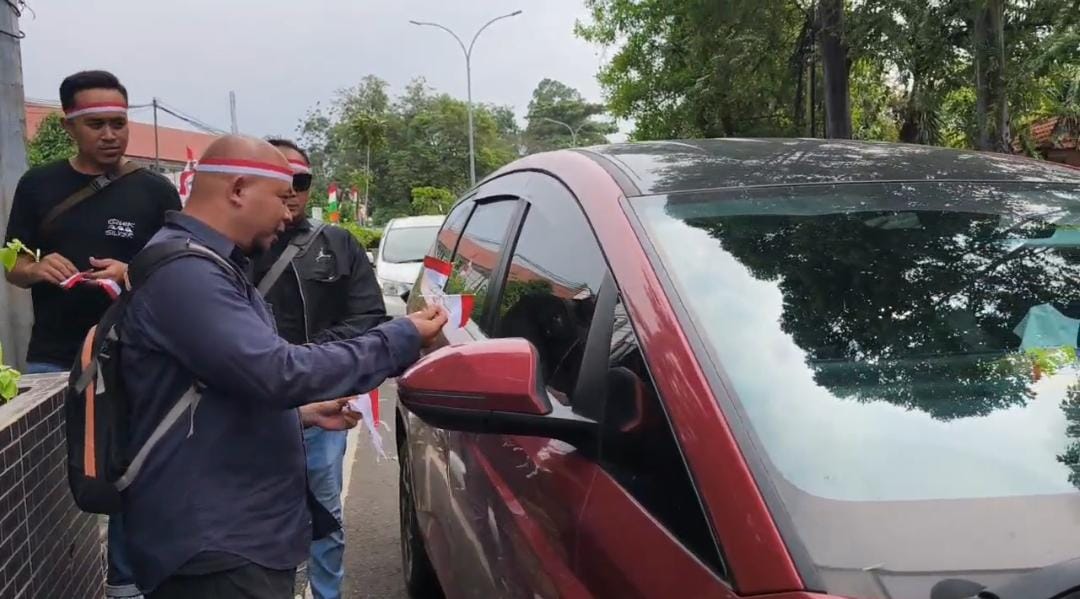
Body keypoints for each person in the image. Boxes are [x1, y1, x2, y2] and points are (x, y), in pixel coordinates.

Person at [117, 135, 446, 598]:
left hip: (235, 531)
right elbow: (276, 372)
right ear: (237, 189)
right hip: (217, 543)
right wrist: (401, 337)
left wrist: (301, 414)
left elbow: (217, 390)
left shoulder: (210, 264)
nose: (288, 214)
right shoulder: (187, 274)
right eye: (280, 197)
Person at [2, 70, 181, 599]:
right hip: (55, 358)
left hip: (135, 356)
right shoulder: (39, 185)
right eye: (97, 124)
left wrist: (130, 274)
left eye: (119, 123)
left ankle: (125, 585)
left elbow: (182, 265)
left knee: (129, 475)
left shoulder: (155, 190)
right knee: (53, 477)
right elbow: (12, 259)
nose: (111, 135)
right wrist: (34, 270)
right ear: (70, 125)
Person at [252, 139, 386, 599]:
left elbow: (369, 317)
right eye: (280, 180)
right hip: (248, 408)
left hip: (321, 405)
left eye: (301, 181)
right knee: (253, 517)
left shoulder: (337, 243)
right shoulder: (234, 248)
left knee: (324, 515)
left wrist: (308, 359)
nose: (291, 190)